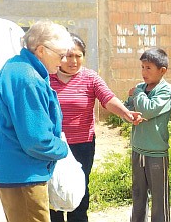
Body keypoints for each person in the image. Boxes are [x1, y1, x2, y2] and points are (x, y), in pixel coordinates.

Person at [0, 20, 74, 222]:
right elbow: (37, 139)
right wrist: (62, 149)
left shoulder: (18, 67)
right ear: (41, 50)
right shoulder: (27, 77)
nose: (62, 61)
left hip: (15, 170)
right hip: (23, 173)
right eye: (60, 55)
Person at [49, 33, 141, 222]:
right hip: (52, 145)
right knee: (54, 187)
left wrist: (126, 113)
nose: (73, 61)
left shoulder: (90, 77)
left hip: (82, 144)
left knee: (80, 187)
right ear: (59, 56)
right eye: (68, 55)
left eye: (78, 55)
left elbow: (108, 98)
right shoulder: (46, 77)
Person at [124, 47, 171, 222]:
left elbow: (148, 109)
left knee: (159, 197)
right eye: (143, 67)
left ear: (162, 71)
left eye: (148, 68)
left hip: (156, 153)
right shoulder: (141, 87)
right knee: (138, 194)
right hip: (138, 149)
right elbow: (127, 113)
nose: (144, 72)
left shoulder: (166, 90)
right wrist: (130, 115)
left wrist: (136, 94)